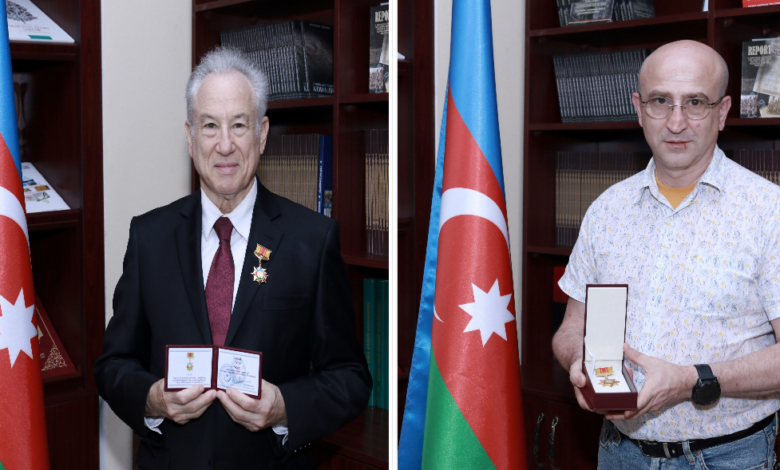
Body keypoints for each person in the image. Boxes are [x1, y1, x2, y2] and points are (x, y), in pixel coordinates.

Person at [94, 47, 371, 470]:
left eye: (238, 125)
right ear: (190, 136)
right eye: (210, 126)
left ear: (261, 134)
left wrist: (284, 408)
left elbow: (350, 378)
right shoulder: (149, 237)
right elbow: (113, 364)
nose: (225, 145)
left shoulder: (311, 241)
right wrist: (151, 399)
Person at [552, 40, 780, 469]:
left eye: (695, 102)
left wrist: (691, 380)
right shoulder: (606, 211)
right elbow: (570, 328)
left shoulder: (770, 213)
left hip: (728, 458)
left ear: (723, 111)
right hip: (620, 453)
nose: (677, 122)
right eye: (661, 101)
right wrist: (578, 362)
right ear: (639, 109)